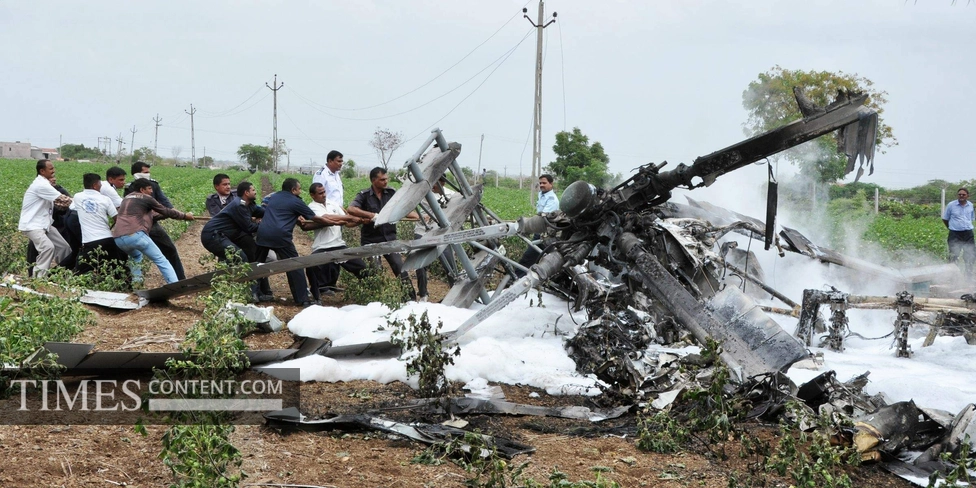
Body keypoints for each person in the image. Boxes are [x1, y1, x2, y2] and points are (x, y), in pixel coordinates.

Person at [347, 167, 420, 299]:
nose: (386, 181)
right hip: (371, 241)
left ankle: (411, 299)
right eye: (382, 179)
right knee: (376, 272)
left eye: (386, 178)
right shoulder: (363, 195)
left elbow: (402, 209)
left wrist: (419, 216)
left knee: (400, 268)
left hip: (390, 239)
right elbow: (351, 209)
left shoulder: (391, 193)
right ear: (374, 180)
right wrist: (372, 215)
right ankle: (379, 300)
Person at [113, 178, 194, 285]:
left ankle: (137, 286)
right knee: (161, 260)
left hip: (118, 239)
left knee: (136, 257)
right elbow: (165, 210)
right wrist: (184, 216)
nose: (152, 191)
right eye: (149, 188)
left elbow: (155, 215)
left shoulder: (126, 198)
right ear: (142, 189)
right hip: (136, 235)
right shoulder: (146, 198)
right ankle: (175, 285)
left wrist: (168, 215)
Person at [200, 181, 272, 301]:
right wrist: (266, 225)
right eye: (253, 190)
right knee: (240, 258)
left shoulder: (249, 204)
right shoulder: (239, 205)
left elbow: (264, 212)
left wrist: (279, 214)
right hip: (213, 236)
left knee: (253, 255)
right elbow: (249, 227)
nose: (256, 192)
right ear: (246, 193)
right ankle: (245, 294)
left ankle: (257, 293)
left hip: (227, 235)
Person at [255, 178, 321, 306]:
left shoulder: (273, 197)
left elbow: (280, 210)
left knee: (257, 265)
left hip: (262, 233)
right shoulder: (295, 201)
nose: (300, 191)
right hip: (280, 236)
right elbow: (313, 217)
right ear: (293, 190)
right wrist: (332, 222)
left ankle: (252, 294)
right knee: (294, 265)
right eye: (299, 189)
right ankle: (302, 299)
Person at [303, 182, 368, 302]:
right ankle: (316, 294)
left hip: (339, 244)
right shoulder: (311, 207)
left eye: (324, 192)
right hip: (322, 246)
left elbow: (347, 223)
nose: (323, 195)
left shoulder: (333, 204)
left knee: (362, 267)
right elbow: (326, 218)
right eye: (320, 193)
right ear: (312, 195)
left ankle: (369, 289)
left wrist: (360, 221)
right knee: (311, 267)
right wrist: (349, 217)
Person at [123, 161, 186, 280]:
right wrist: (178, 215)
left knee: (169, 249)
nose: (148, 174)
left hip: (151, 225)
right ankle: (132, 282)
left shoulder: (153, 185)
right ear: (136, 173)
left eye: (148, 172)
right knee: (134, 254)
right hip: (137, 226)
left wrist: (176, 213)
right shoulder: (129, 188)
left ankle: (180, 279)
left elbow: (165, 202)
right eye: (145, 172)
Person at [18, 159, 72, 278]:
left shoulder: (45, 184)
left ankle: (65, 275)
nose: (54, 171)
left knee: (64, 247)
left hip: (45, 225)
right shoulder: (41, 185)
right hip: (33, 225)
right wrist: (81, 202)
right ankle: (38, 279)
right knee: (47, 247)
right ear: (42, 171)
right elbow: (64, 200)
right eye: (51, 169)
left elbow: (60, 204)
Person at [70, 173, 128, 276]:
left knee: (80, 272)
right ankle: (128, 286)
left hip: (90, 241)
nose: (101, 186)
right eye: (100, 184)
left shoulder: (77, 197)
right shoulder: (105, 199)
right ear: (95, 185)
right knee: (117, 267)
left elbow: (71, 208)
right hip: (107, 239)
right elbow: (117, 218)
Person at [412, 176, 457, 300]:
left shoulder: (451, 195)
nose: (433, 187)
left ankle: (455, 292)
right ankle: (423, 295)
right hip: (423, 231)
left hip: (441, 233)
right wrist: (420, 216)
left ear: (442, 183)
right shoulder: (422, 192)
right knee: (420, 264)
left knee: (449, 264)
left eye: (436, 184)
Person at [514, 174, 559, 278]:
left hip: (545, 234)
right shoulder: (542, 194)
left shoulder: (552, 199)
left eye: (544, 183)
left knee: (529, 258)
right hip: (539, 233)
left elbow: (543, 220)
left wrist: (527, 225)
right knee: (537, 258)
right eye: (540, 183)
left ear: (551, 184)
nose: (542, 185)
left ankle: (516, 279)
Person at [942, 187, 976, 276]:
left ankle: (968, 276)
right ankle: (953, 276)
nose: (961, 196)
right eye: (959, 194)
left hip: (968, 234)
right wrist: (951, 227)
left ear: (967, 196)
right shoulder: (951, 205)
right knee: (953, 255)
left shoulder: (971, 205)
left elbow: (971, 218)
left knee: (970, 255)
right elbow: (945, 219)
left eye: (963, 194)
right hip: (955, 234)